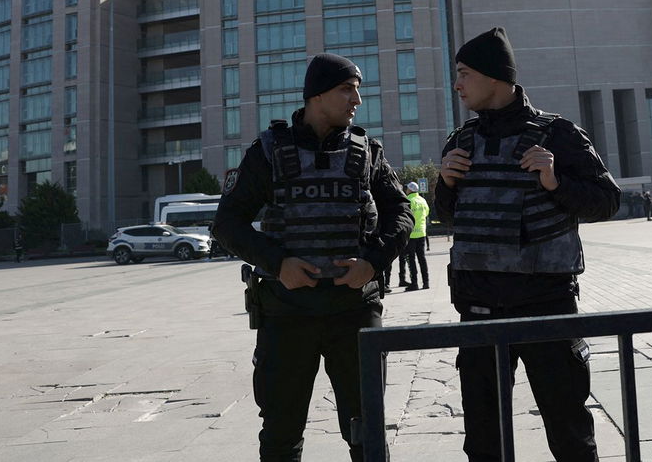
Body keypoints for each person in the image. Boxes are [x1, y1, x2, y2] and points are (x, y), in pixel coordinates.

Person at [213, 53, 413, 462]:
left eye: (357, 88)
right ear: (316, 96)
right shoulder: (269, 151)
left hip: (355, 312)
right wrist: (277, 262)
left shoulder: (367, 150)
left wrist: (372, 262)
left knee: (367, 432)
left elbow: (402, 212)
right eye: (347, 88)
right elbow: (227, 223)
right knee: (281, 434)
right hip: (287, 314)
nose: (357, 98)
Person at [435, 27, 621, 462]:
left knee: (571, 437)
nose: (457, 84)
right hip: (478, 313)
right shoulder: (461, 141)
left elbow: (607, 200)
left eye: (464, 74)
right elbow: (448, 215)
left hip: (547, 310)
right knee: (484, 443)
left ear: (495, 77)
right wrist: (443, 182)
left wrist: (555, 182)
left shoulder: (558, 135)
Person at [402, 181, 430, 290]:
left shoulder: (408, 200)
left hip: (411, 235)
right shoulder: (423, 200)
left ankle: (414, 283)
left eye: (407, 188)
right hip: (422, 233)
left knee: (412, 260)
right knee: (422, 259)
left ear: (410, 190)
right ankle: (426, 283)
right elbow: (426, 213)